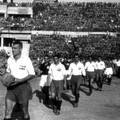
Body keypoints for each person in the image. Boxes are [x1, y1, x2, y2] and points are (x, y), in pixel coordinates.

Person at [4, 41, 35, 120]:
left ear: (20, 49)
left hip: (23, 87)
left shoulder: (26, 59)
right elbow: (8, 72)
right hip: (11, 88)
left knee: (25, 112)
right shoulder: (10, 59)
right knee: (7, 112)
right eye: (12, 48)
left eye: (15, 48)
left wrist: (20, 80)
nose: (13, 50)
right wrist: (5, 77)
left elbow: (32, 74)